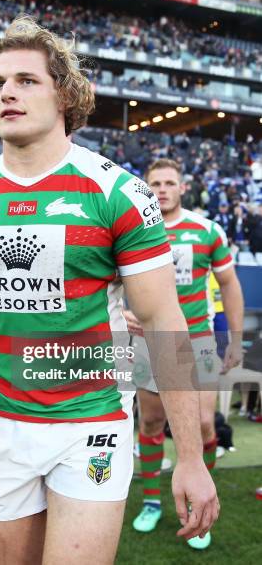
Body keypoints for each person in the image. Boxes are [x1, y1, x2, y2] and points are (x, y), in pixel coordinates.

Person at [0, 17, 218, 564]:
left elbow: (166, 322)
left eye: (27, 80)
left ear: (65, 95)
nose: (7, 92)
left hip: (91, 421)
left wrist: (188, 456)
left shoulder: (118, 192)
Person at [128, 158, 243, 550]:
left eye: (169, 182)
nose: (161, 189)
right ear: (145, 189)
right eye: (155, 183)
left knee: (206, 426)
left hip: (198, 342)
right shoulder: (133, 228)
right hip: (148, 341)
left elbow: (229, 283)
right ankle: (150, 503)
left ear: (182, 187)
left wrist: (235, 339)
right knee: (150, 424)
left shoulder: (207, 230)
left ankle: (200, 508)